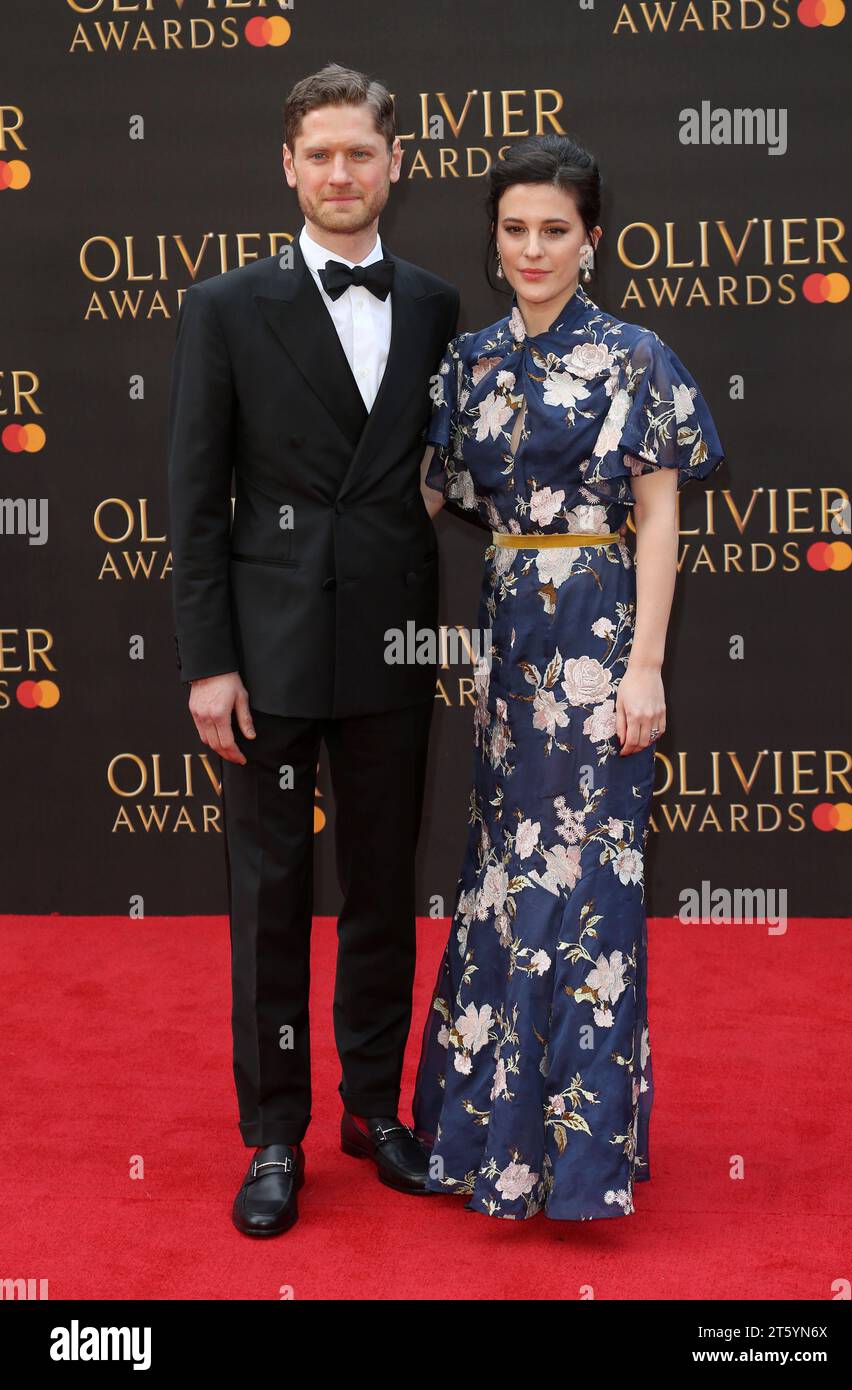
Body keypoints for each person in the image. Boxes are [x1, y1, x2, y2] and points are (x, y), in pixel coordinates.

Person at [167, 63, 459, 1237]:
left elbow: (444, 464)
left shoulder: (436, 303)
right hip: (272, 653)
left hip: (390, 641)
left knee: (384, 889)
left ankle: (373, 1109)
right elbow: (195, 498)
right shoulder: (224, 308)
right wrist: (207, 660)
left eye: (362, 153)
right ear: (288, 167)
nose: (342, 173)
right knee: (273, 899)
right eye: (320, 154)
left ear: (396, 165)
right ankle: (274, 1133)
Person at [411, 134, 726, 1221]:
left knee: (584, 888)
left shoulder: (637, 356)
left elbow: (658, 518)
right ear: (493, 242)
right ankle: (487, 1144)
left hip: (598, 643)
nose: (533, 248)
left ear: (591, 240)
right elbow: (427, 496)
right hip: (509, 646)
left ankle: (574, 1159)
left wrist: (644, 668)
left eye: (555, 229)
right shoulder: (469, 362)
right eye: (514, 229)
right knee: (502, 880)